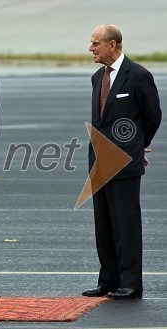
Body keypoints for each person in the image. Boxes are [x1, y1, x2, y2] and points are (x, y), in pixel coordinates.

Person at [82, 24, 162, 300]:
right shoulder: (96, 77)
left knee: (126, 224)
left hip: (125, 165)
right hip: (99, 163)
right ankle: (109, 280)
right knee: (103, 224)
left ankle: (131, 283)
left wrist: (138, 146)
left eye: (95, 43)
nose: (91, 48)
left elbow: (153, 116)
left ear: (112, 45)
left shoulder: (138, 76)